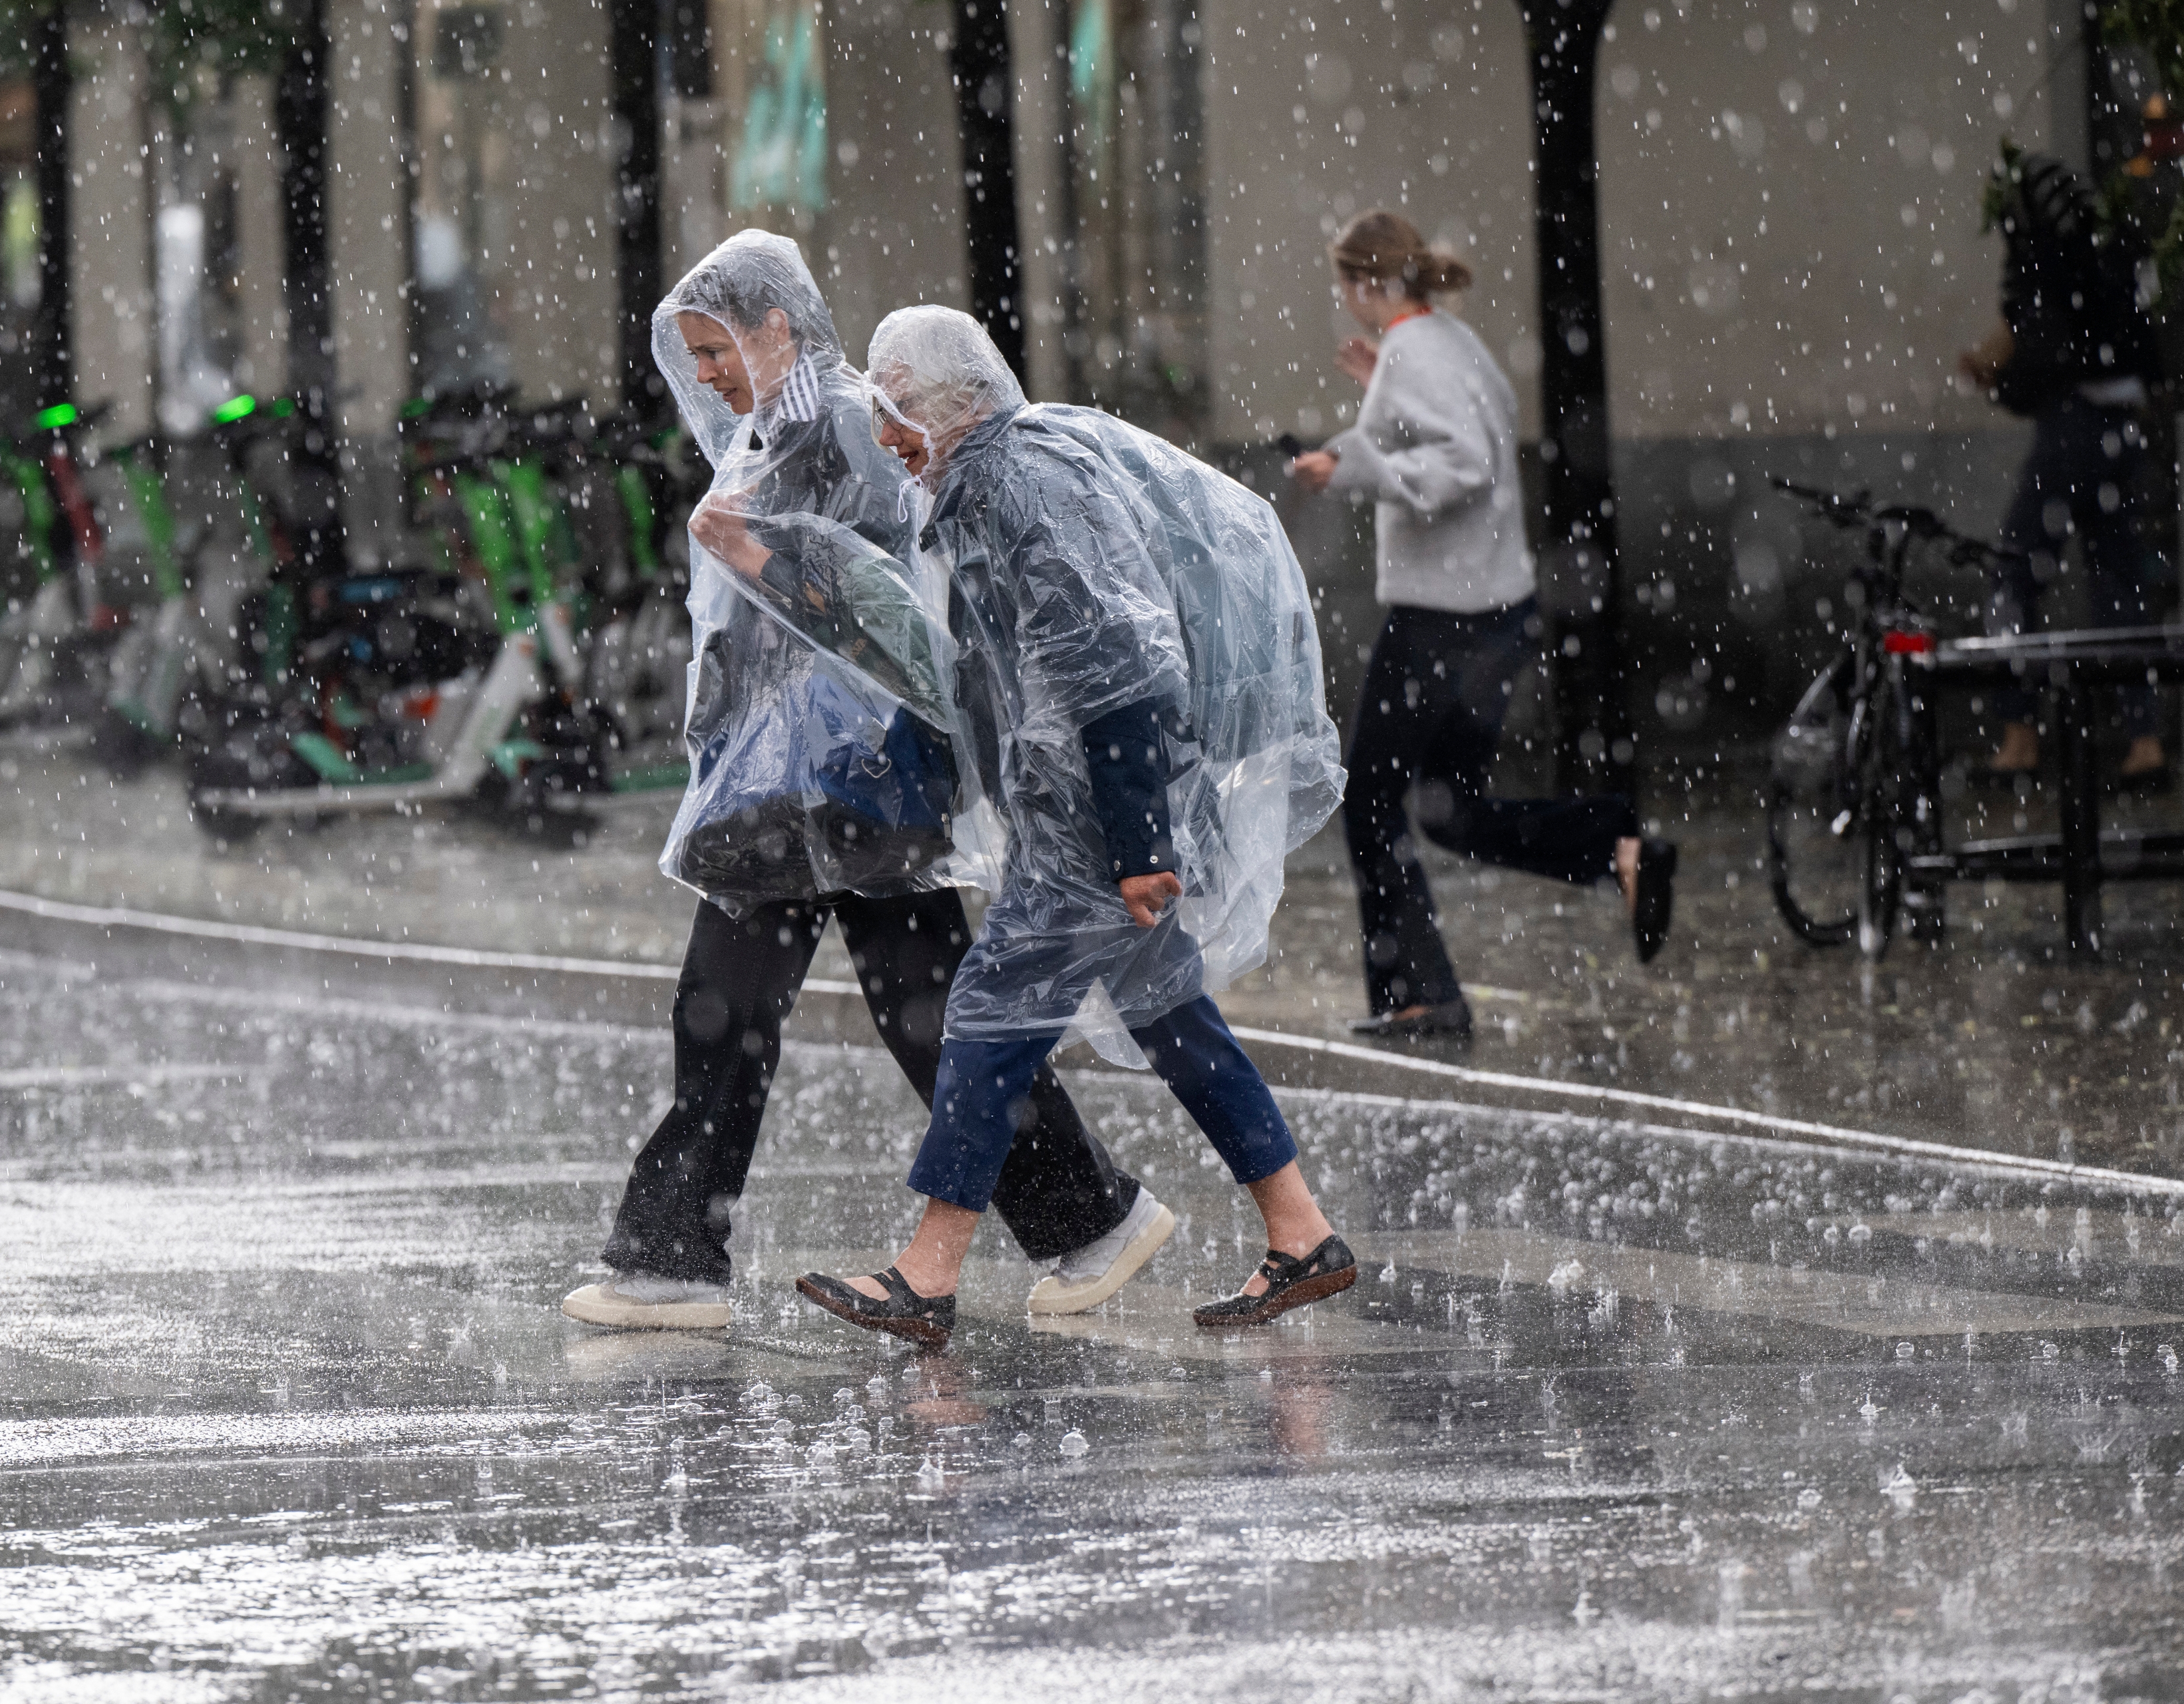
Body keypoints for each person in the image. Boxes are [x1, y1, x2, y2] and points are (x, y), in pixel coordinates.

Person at [561, 234, 1174, 1333]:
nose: (700, 373)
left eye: (714, 349)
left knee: (873, 1016)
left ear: (776, 329)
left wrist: (756, 555)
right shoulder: (773, 430)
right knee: (761, 1011)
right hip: (783, 782)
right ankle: (1088, 1217)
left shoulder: (846, 424)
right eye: (692, 353)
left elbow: (890, 597)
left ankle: (679, 1259)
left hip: (857, 777)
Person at [791, 305, 1355, 1347]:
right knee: (1172, 1014)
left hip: (1097, 833)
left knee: (989, 1013)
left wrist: (1140, 844)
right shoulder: (980, 488)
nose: (884, 432)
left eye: (898, 408)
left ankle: (929, 1271)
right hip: (1078, 823)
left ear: (958, 403)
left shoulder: (1019, 484)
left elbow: (1120, 662)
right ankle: (1302, 1231)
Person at [1288, 210, 1676, 1042]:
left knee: (1371, 802)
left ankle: (1422, 995)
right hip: (1497, 612)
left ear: (1364, 283)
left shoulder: (1418, 352)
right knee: (1449, 808)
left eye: (1342, 281)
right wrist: (1378, 400)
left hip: (1443, 618)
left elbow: (1464, 464)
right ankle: (1616, 848)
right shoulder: (1445, 343)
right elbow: (1468, 431)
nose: (1342, 296)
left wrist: (1347, 461)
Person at [1958, 148, 2169, 790]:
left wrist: (1996, 368)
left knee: (2012, 574)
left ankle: (2019, 738)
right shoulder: (2107, 249)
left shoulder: (2049, 258)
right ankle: (2145, 742)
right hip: (2124, 423)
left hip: (2077, 424)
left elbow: (2035, 329)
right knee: (2119, 580)